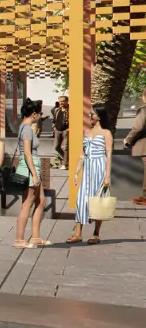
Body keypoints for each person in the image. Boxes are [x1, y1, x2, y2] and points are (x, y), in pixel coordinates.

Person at [67, 108, 113, 245]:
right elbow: (83, 154)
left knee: (98, 200)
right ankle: (77, 233)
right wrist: (76, 172)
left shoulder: (106, 133)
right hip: (87, 168)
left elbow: (109, 155)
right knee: (81, 199)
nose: (90, 116)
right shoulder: (87, 132)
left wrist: (107, 175)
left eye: (92, 114)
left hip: (99, 167)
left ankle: (96, 233)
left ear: (99, 116)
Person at [13, 109, 49, 248]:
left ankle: (35, 237)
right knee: (27, 203)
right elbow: (27, 153)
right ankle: (20, 239)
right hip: (30, 167)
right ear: (34, 114)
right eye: (39, 114)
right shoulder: (27, 129)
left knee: (41, 201)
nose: (40, 116)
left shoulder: (24, 127)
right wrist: (34, 174)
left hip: (33, 166)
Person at [51, 95, 72, 170]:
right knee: (56, 147)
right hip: (57, 129)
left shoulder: (70, 110)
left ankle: (65, 164)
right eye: (60, 101)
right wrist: (53, 127)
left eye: (63, 101)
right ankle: (67, 159)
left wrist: (70, 128)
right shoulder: (57, 110)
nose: (61, 103)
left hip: (66, 130)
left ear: (67, 101)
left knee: (66, 147)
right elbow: (54, 119)